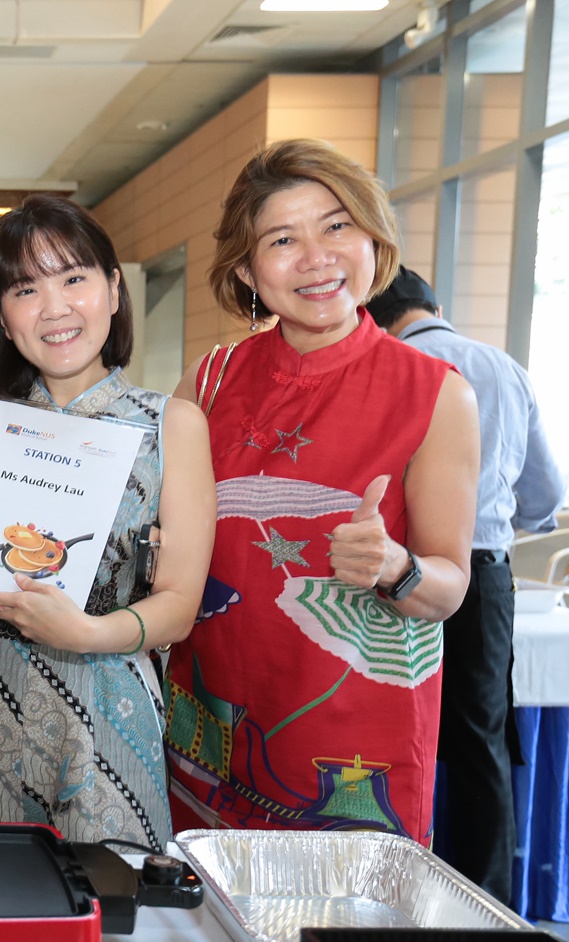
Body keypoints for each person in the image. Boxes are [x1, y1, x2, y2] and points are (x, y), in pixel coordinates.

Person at [164, 140, 480, 846]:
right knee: (202, 936)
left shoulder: (435, 394)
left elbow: (451, 583)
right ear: (247, 268)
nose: (316, 257)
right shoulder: (209, 380)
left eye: (337, 226)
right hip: (211, 724)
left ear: (373, 238)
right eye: (283, 239)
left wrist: (397, 568)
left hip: (354, 736)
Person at [0, 195, 215, 850]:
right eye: (25, 288)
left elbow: (180, 606)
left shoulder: (170, 425)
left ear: (111, 288)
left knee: (105, 923)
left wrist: (89, 631)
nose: (54, 307)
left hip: (106, 709)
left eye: (74, 278)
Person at [369, 266, 563, 902]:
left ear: (372, 314)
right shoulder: (503, 367)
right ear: (436, 305)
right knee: (479, 741)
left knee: (390, 725)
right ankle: (487, 902)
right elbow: (546, 496)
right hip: (483, 573)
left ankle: (389, 886)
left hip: (393, 570)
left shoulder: (386, 368)